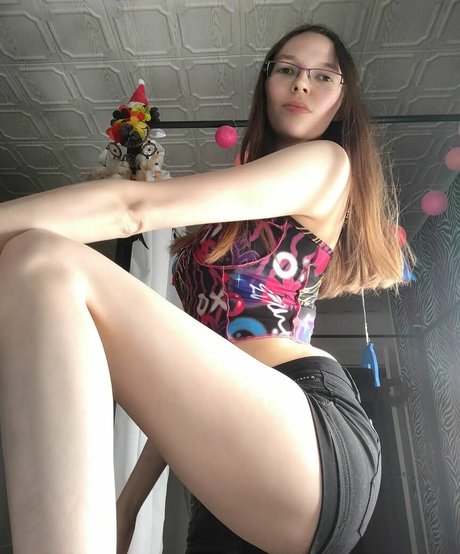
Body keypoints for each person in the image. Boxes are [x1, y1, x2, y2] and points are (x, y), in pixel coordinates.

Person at [0, 23, 411, 554]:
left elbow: (133, 207)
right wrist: (127, 505)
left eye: (323, 76)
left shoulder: (326, 162)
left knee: (40, 260)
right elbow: (189, 378)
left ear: (342, 99)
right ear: (266, 83)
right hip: (240, 454)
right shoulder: (240, 210)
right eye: (287, 69)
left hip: (307, 430)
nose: (301, 83)